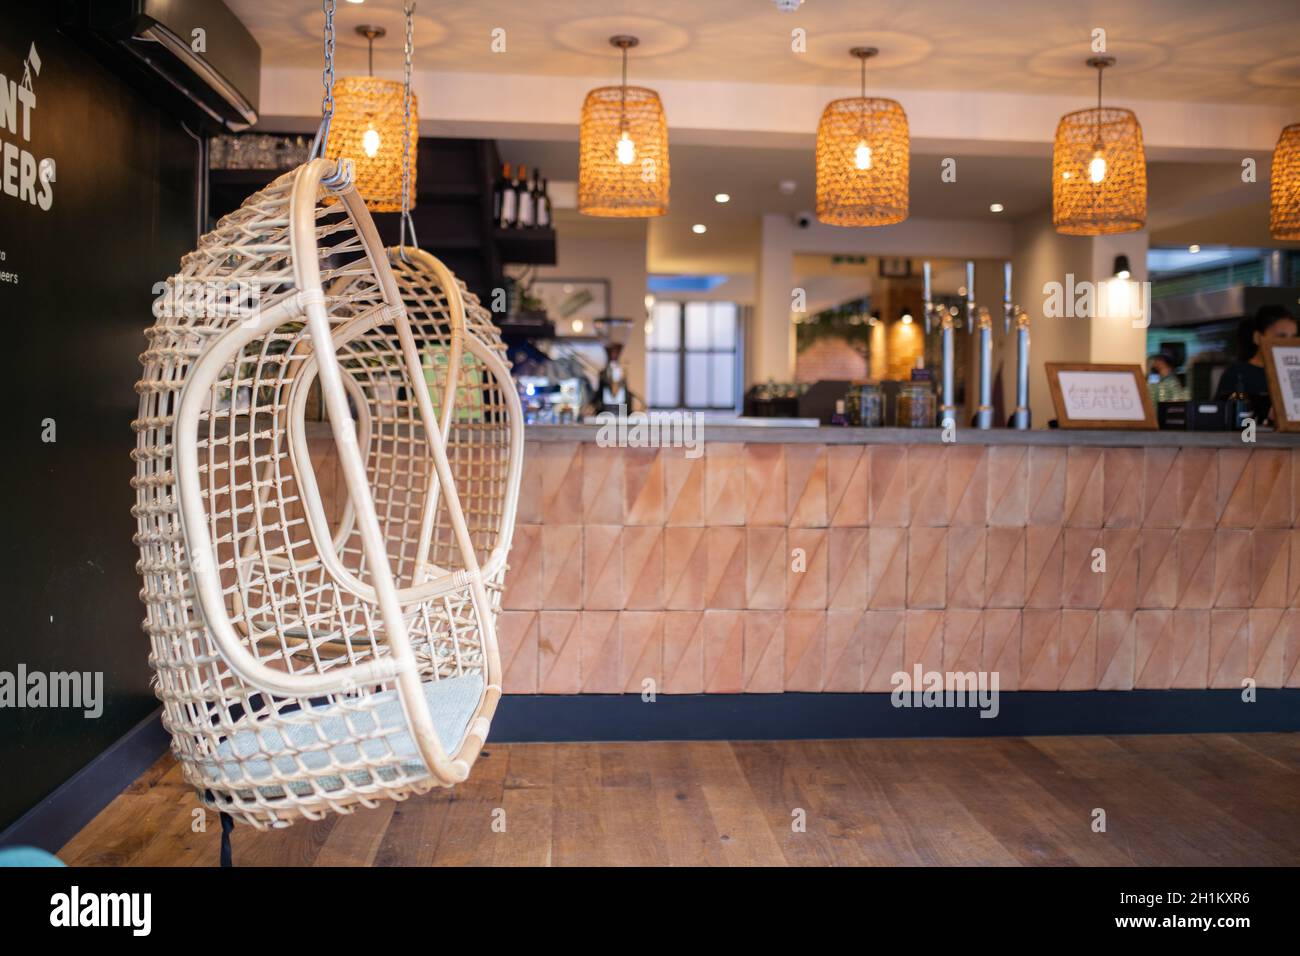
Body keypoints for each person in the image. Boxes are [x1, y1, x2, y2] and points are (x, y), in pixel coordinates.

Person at [1215, 304, 1298, 401]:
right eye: (1281, 337)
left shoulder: (1294, 373)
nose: (1288, 343)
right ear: (1258, 337)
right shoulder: (1237, 373)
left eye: (1293, 337)